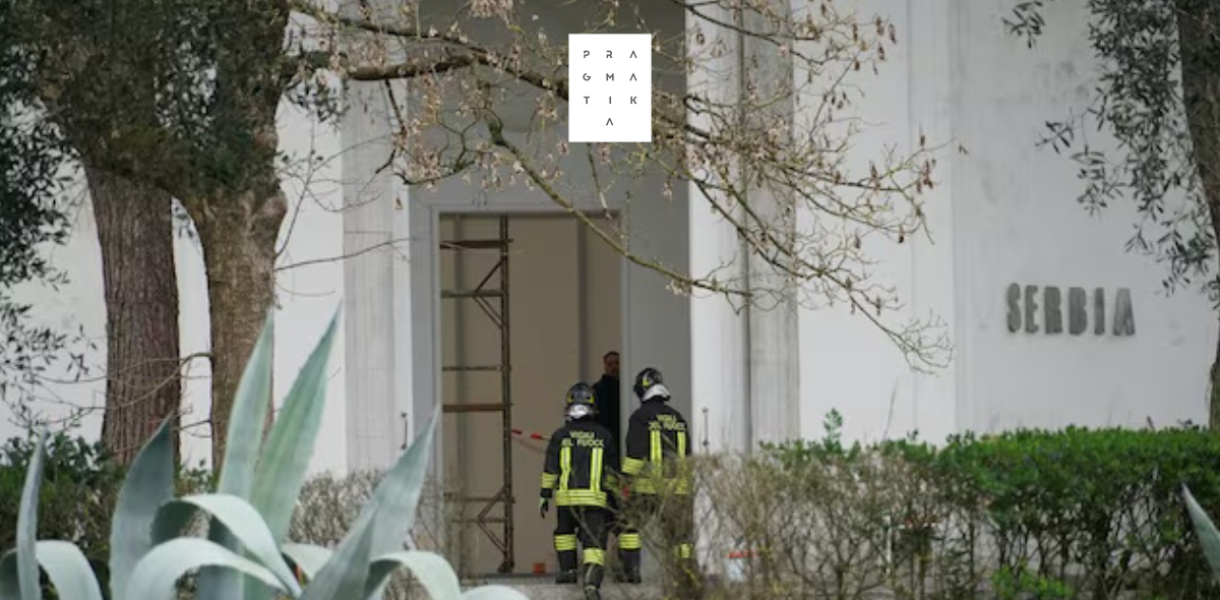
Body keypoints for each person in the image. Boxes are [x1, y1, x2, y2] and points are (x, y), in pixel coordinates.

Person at [617, 367, 699, 597]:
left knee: (629, 527)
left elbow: (636, 453)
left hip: (648, 487)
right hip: (678, 488)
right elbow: (688, 454)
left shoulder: (640, 417)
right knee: (680, 536)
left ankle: (631, 572)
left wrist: (625, 480)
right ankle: (684, 574)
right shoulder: (678, 419)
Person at [540, 382, 620, 600]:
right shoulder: (604, 436)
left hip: (566, 500)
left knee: (564, 534)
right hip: (595, 501)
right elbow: (612, 472)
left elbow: (550, 469)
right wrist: (615, 499)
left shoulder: (560, 435)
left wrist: (544, 495)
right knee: (594, 542)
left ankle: (568, 572)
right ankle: (592, 585)